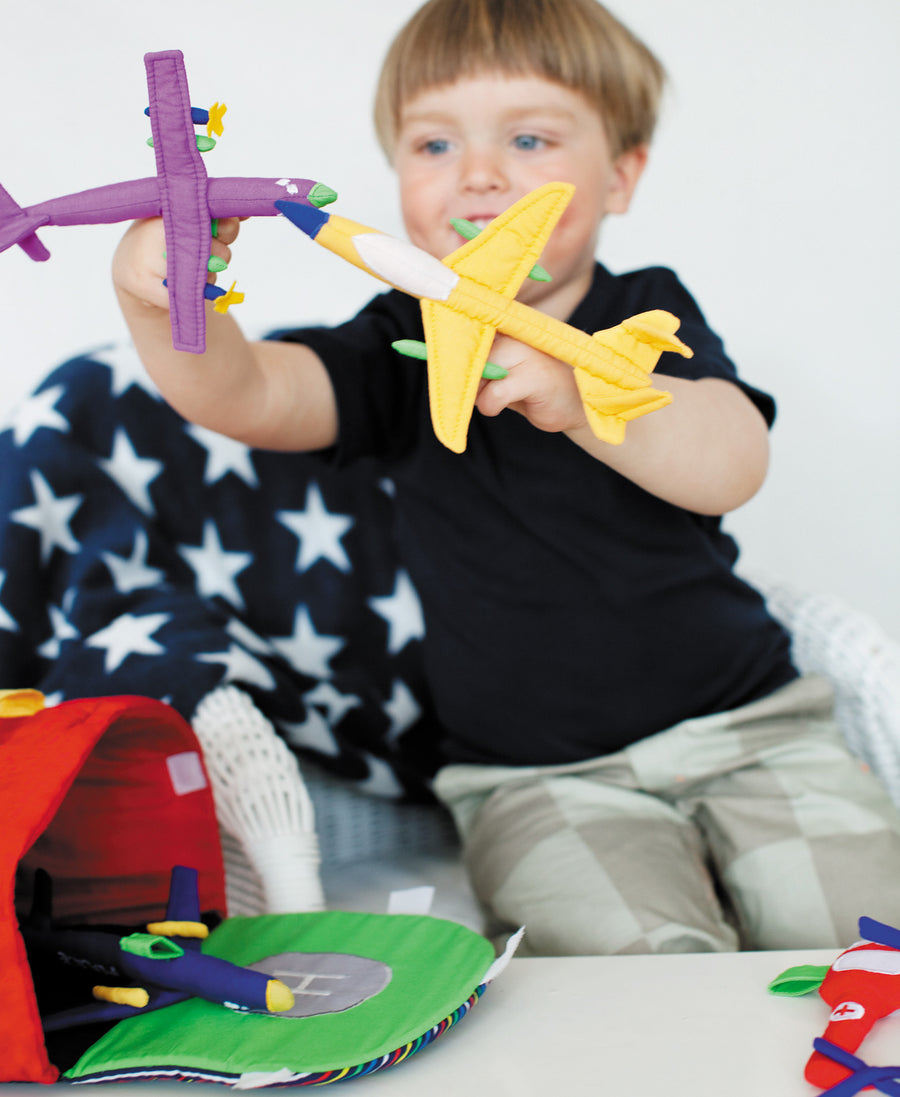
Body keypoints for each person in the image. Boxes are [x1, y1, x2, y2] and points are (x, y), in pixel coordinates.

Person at [112, 0, 900, 955]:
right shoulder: (398, 341)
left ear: (621, 175)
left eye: (528, 138)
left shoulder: (644, 308)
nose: (479, 173)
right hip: (537, 778)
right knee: (637, 974)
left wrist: (591, 390)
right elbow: (249, 393)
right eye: (435, 143)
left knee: (867, 936)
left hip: (757, 728)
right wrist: (159, 306)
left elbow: (734, 461)